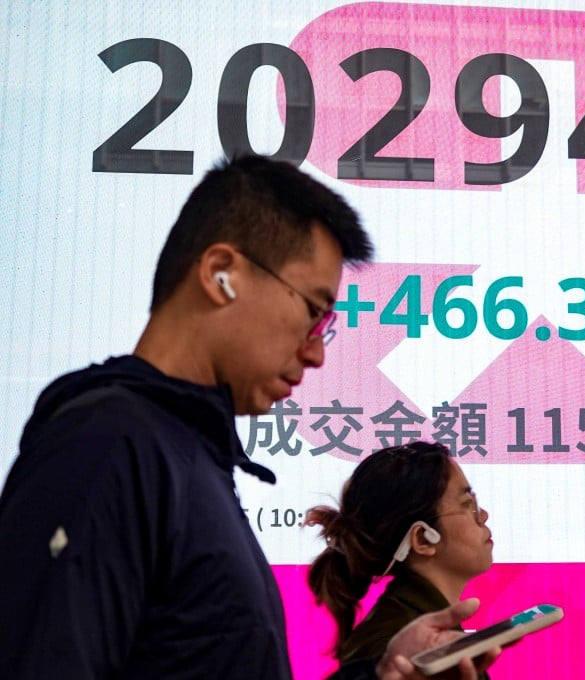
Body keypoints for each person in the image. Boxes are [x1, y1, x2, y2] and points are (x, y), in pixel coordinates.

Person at [0, 156, 493, 680]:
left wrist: (379, 675)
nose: (316, 352)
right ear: (222, 274)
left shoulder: (184, 454)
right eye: (313, 313)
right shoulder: (105, 444)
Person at [306, 442, 495, 679]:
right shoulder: (397, 652)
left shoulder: (418, 629)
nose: (483, 515)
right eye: (467, 505)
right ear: (422, 539)